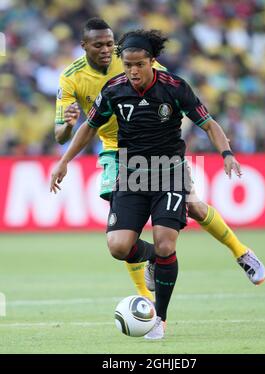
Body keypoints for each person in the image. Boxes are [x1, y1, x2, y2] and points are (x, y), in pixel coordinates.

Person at [51, 29, 265, 339]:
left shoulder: (174, 88)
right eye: (127, 65)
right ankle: (155, 259)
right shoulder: (114, 90)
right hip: (131, 173)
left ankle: (159, 318)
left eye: (139, 64)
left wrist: (227, 154)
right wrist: (64, 161)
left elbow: (209, 123)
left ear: (152, 62)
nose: (133, 71)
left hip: (169, 172)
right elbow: (89, 127)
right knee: (118, 246)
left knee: (168, 239)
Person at [55, 18, 168, 302]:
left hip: (152, 146)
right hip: (113, 149)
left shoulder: (130, 58)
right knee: (121, 234)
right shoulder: (70, 77)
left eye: (110, 44)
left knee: (194, 208)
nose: (107, 50)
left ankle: (239, 251)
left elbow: (167, 85)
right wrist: (68, 125)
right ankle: (148, 287)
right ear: (84, 46)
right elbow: (60, 135)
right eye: (99, 45)